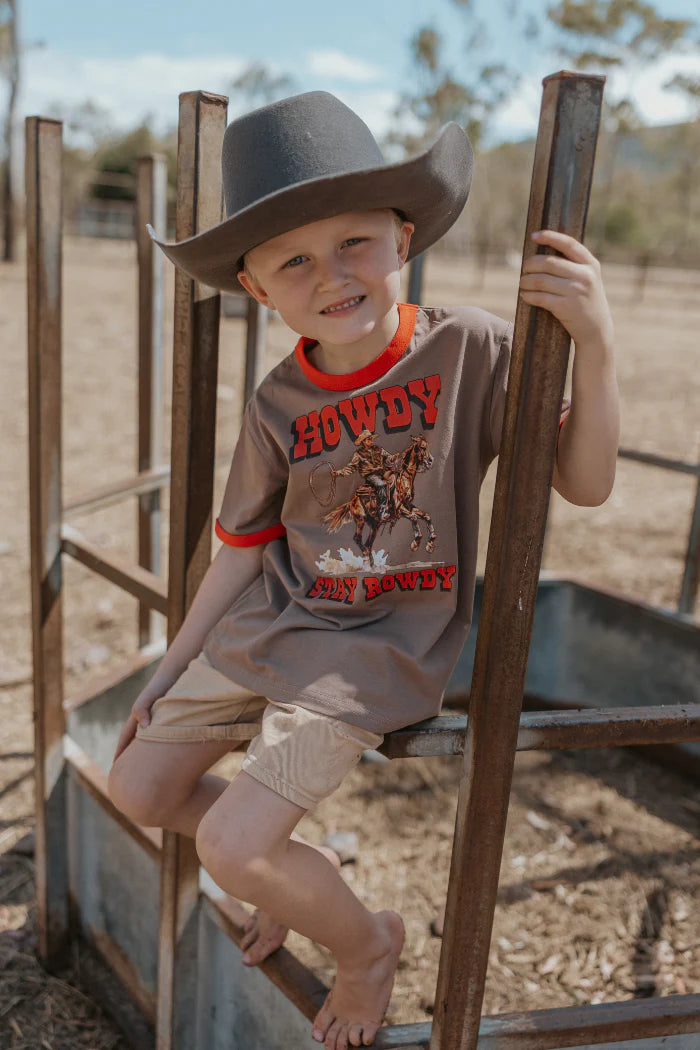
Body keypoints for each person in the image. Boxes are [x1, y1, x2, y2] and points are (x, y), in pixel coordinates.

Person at [107, 91, 619, 1049]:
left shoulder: (468, 347)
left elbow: (584, 485)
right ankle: (289, 877)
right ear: (258, 289)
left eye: (354, 243)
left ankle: (367, 946)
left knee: (227, 845)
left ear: (403, 234)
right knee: (136, 789)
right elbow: (244, 551)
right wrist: (169, 667)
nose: (331, 276)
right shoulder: (279, 400)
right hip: (272, 625)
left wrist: (593, 344)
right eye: (293, 260)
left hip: (375, 648)